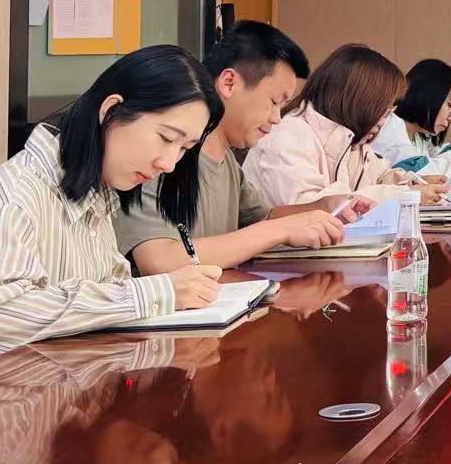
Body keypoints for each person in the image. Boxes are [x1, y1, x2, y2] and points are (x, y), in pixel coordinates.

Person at [0, 46, 227, 388]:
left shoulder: (95, 193)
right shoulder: (13, 197)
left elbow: (104, 296)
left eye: (183, 149)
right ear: (111, 111)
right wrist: (151, 293)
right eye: (166, 138)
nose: (169, 163)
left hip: (54, 397)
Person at [118, 21, 372, 275]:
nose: (277, 118)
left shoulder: (226, 160)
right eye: (274, 102)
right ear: (229, 83)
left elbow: (264, 217)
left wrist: (323, 207)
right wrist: (280, 230)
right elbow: (159, 261)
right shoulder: (163, 157)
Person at [243, 43, 446, 207]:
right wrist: (405, 195)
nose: (382, 122)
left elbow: (381, 176)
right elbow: (312, 207)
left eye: (388, 113)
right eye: (382, 110)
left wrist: (413, 183)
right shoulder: (289, 135)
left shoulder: (351, 142)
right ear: (357, 101)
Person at [371, 58, 451, 182]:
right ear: (427, 95)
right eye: (450, 105)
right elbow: (421, 173)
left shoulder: (419, 135)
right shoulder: (389, 128)